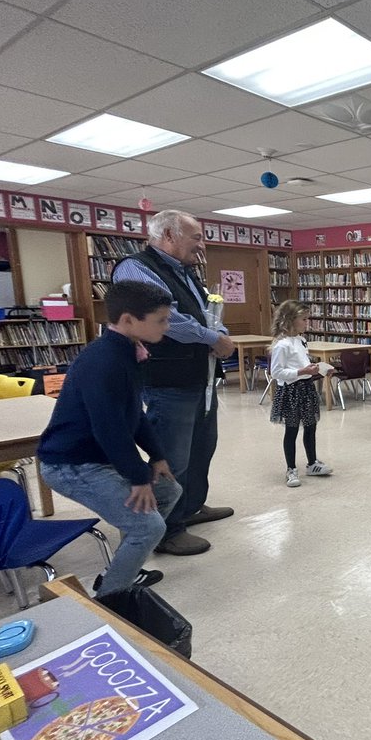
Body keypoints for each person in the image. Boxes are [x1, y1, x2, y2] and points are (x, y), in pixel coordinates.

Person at [38, 281, 183, 594]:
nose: (167, 326)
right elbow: (109, 427)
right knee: (148, 527)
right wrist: (138, 477)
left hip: (100, 457)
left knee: (169, 490)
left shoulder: (128, 351)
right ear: (128, 320)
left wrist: (157, 456)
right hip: (72, 464)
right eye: (161, 320)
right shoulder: (104, 360)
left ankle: (122, 568)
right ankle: (110, 598)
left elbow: (134, 414)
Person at [112, 209, 234, 556]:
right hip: (168, 380)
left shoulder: (184, 270)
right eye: (196, 237)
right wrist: (213, 338)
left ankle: (190, 506)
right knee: (171, 457)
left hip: (199, 377)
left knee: (201, 448)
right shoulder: (136, 268)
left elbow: (207, 312)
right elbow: (167, 319)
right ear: (168, 235)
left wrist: (219, 332)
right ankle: (166, 530)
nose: (202, 245)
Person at [268, 301, 334, 488]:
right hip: (291, 391)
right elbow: (276, 372)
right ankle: (291, 469)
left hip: (306, 388)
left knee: (311, 426)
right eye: (303, 319)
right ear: (290, 320)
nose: (307, 323)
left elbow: (303, 364)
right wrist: (302, 372)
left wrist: (321, 369)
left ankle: (312, 463)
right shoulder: (282, 345)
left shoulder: (301, 340)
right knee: (292, 430)